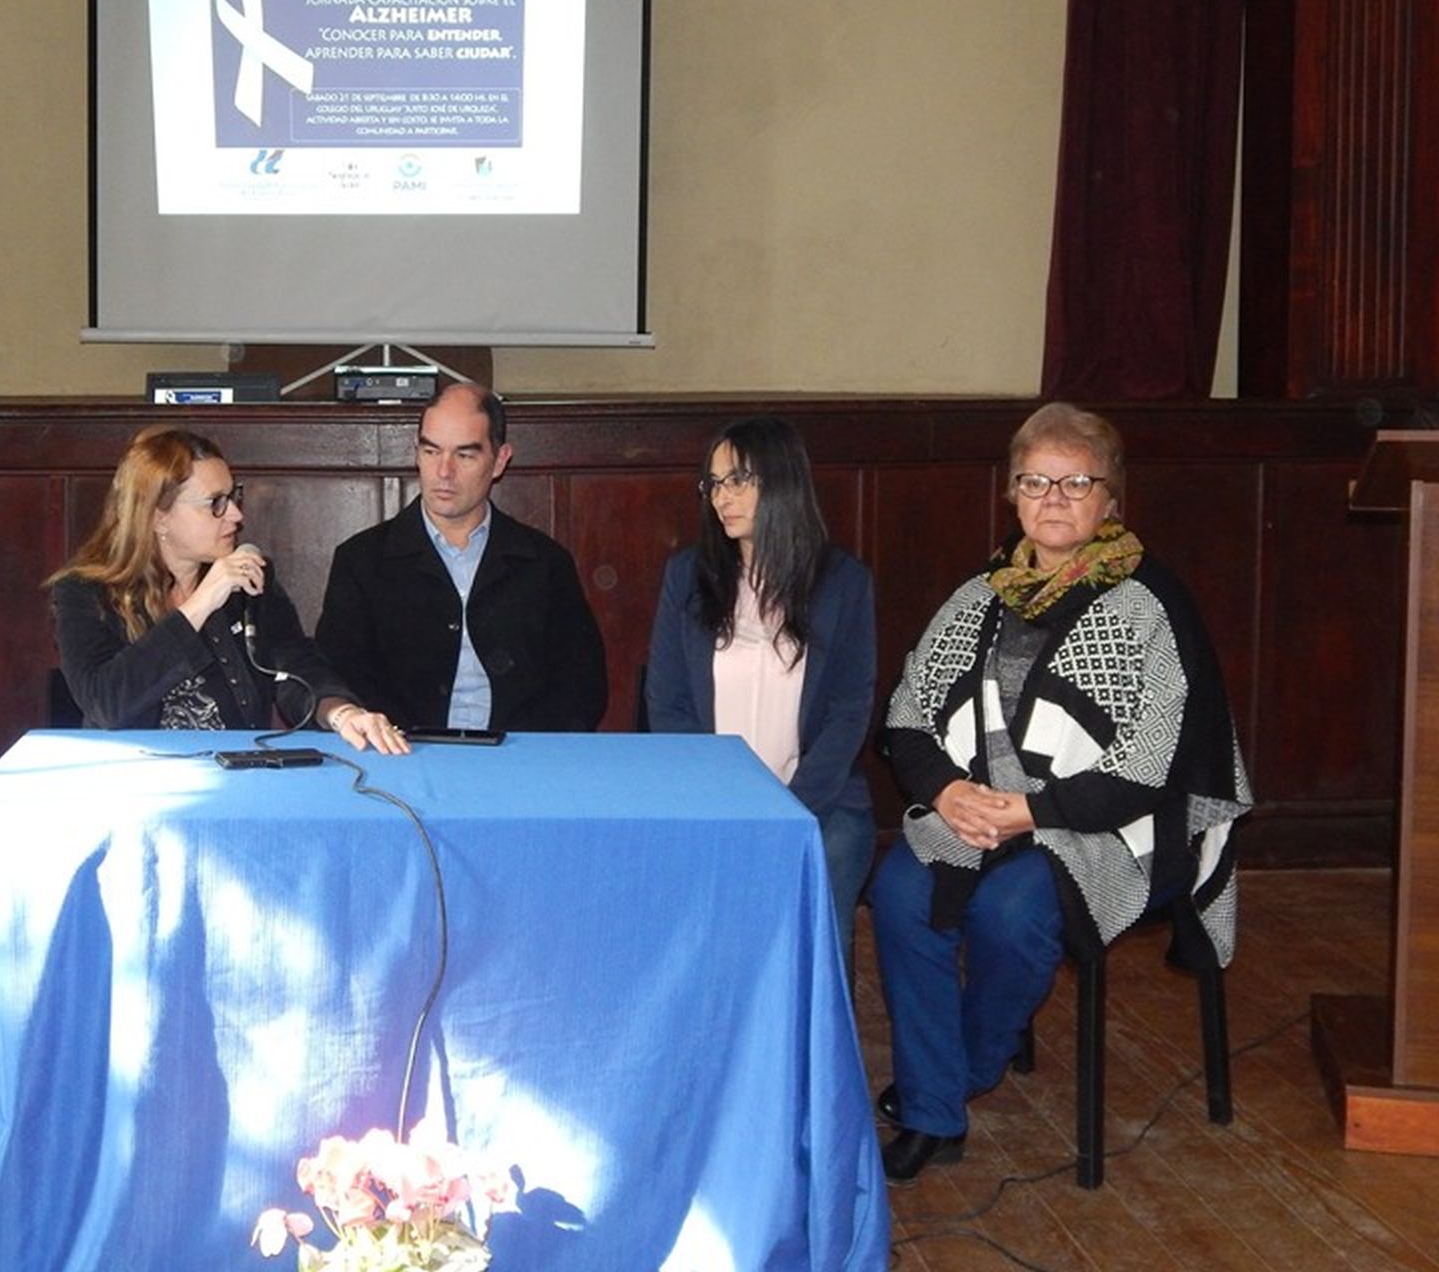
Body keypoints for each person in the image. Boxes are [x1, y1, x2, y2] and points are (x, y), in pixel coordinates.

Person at [869, 402, 1253, 1184]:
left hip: (1113, 827)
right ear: (1012, 494)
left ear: (1111, 499)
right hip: (981, 811)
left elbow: (1154, 763)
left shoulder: (1149, 604)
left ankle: (954, 1077)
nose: (1053, 498)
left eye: (1077, 482)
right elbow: (907, 716)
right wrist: (945, 792)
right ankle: (937, 1109)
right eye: (1035, 481)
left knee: (1011, 914)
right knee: (900, 891)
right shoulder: (979, 595)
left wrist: (1032, 811)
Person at [644, 416, 877, 970]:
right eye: (713, 483)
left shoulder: (842, 582)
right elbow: (667, 704)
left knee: (819, 915)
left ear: (782, 481)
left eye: (738, 481)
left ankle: (814, 1027)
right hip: (710, 798)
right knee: (707, 936)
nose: (721, 497)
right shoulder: (688, 575)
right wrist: (729, 801)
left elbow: (850, 708)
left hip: (819, 801)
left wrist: (791, 809)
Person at [49, 426, 409, 753]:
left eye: (234, 497)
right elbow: (106, 703)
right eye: (216, 503)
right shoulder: (84, 592)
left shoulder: (247, 580)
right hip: (136, 779)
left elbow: (295, 664)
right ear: (159, 517)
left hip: (235, 769)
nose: (236, 514)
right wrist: (202, 602)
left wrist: (341, 713)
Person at [316, 383, 608, 733]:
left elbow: (581, 688)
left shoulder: (544, 563)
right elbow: (338, 680)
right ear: (416, 453)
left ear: (499, 461)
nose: (444, 471)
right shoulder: (361, 561)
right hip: (400, 751)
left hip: (520, 753)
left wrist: (528, 753)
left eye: (465, 455)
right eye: (431, 451)